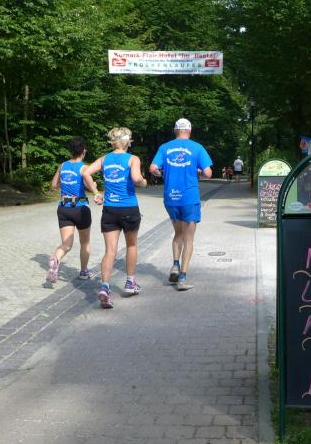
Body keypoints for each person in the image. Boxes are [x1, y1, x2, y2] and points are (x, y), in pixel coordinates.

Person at [82, 127, 148, 308]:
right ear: (128, 142)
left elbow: (85, 172)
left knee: (110, 250)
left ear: (112, 142)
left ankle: (104, 287)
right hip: (128, 208)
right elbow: (136, 179)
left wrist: (96, 192)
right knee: (131, 245)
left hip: (110, 210)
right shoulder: (133, 159)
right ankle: (130, 282)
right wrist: (144, 182)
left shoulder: (105, 159)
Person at [149, 118, 213, 291]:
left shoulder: (164, 147)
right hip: (189, 198)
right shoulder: (197, 148)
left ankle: (175, 265)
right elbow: (208, 173)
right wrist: (198, 171)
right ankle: (182, 278)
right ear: (189, 131)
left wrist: (162, 174)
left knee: (178, 233)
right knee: (189, 239)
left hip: (171, 197)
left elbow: (153, 168)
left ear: (175, 131)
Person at [46, 136, 96, 284]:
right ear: (83, 151)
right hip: (80, 208)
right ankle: (84, 272)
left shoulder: (62, 165)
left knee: (66, 245)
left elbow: (53, 185)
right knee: (85, 242)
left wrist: (65, 187)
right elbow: (91, 187)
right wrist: (94, 188)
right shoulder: (84, 168)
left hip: (63, 208)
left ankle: (55, 259)